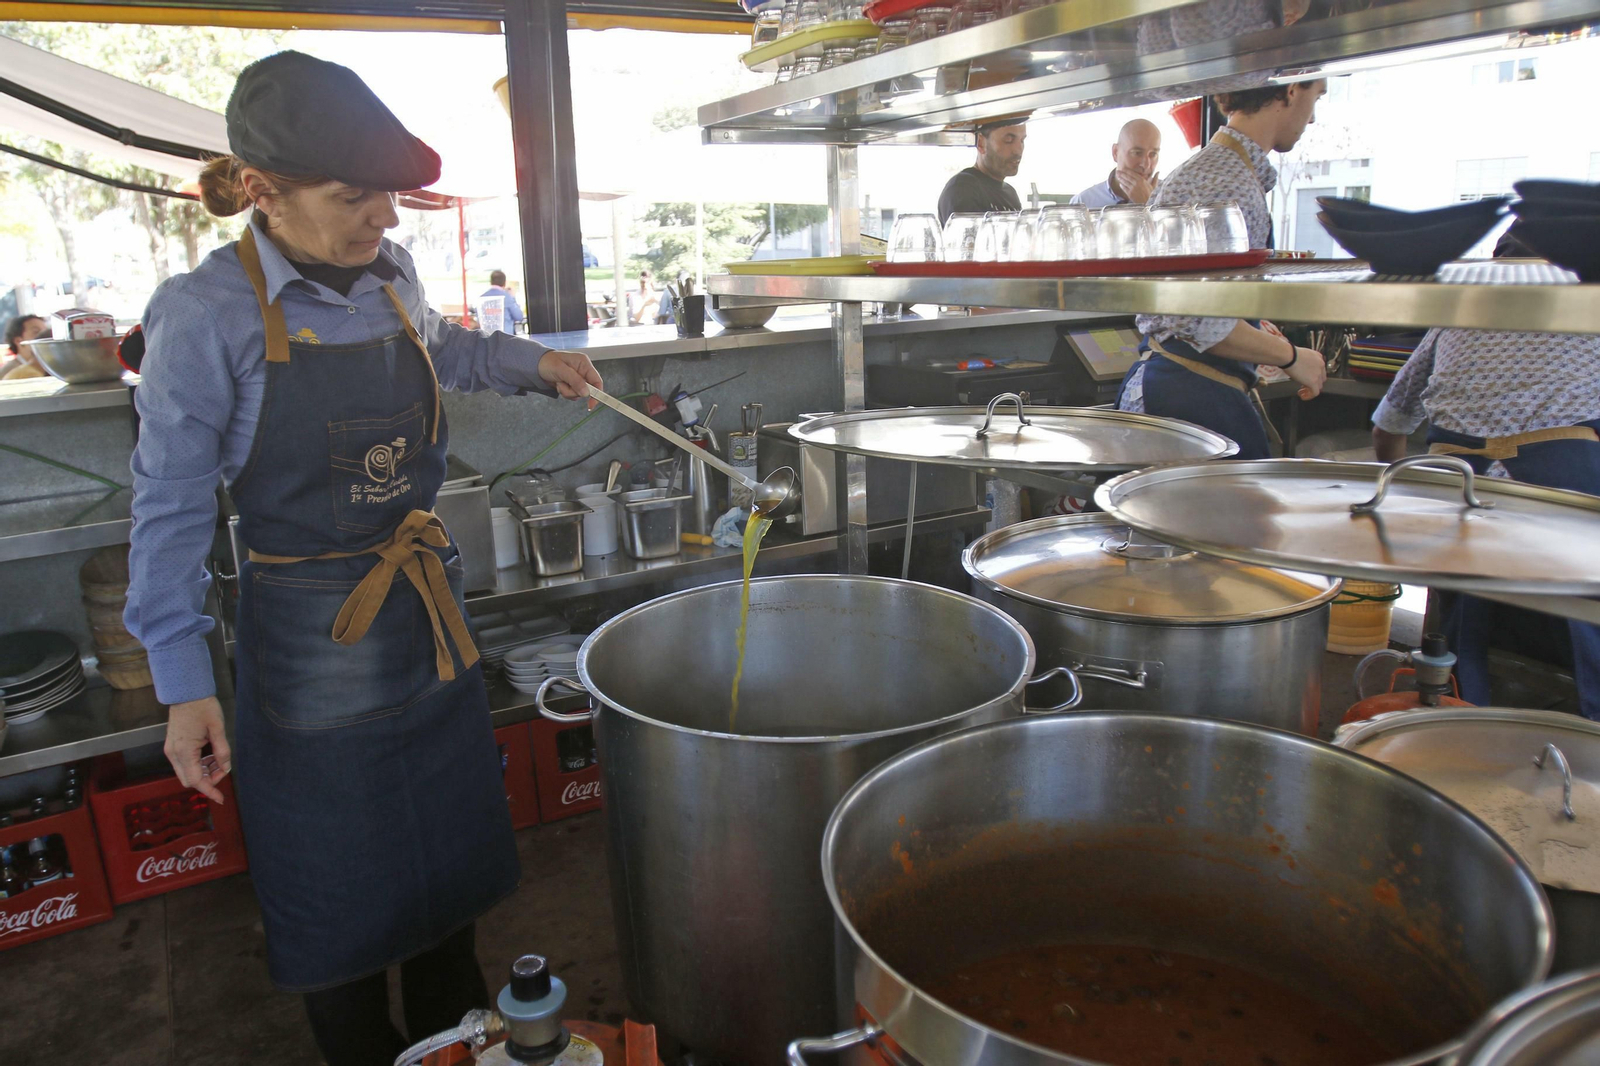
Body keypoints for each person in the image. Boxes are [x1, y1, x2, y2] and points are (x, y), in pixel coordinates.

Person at [124, 52, 602, 1066]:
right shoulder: (204, 314)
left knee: (446, 876)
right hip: (307, 637)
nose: (383, 220)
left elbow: (450, 349)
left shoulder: (392, 279)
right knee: (336, 889)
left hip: (424, 620)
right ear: (262, 192)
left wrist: (535, 362)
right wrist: (182, 684)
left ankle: (457, 1038)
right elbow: (168, 504)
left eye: (389, 197)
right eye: (354, 198)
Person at [1371, 325, 1600, 720]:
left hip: (1455, 483)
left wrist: (1406, 491)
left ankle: (1458, 708)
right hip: (1561, 488)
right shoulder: (1586, 309)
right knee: (1585, 600)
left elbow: (1389, 425)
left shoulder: (1463, 313)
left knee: (1462, 590)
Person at [1116, 81, 1329, 459]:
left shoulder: (1227, 173)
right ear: (1292, 90)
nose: (1312, 117)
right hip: (1188, 393)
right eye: (1317, 96)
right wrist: (1293, 356)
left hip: (1192, 388)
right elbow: (1200, 322)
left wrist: (1257, 329)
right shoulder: (1223, 182)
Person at [936, 115, 1027, 224]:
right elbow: (967, 238)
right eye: (1008, 140)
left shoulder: (1010, 193)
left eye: (1022, 140)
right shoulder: (962, 188)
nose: (1018, 150)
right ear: (981, 143)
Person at [1071, 118, 1162, 209]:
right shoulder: (1083, 202)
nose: (1146, 165)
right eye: (1137, 153)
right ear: (1115, 152)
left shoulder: (1169, 196)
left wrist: (1150, 204)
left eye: (1153, 154)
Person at [0, 314, 47, 380]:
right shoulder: (7, 374)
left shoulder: (49, 367)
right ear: (18, 341)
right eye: (36, 332)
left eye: (46, 331)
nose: (45, 337)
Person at [479, 269, 526, 333]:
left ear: (491, 281)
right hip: (506, 337)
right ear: (504, 282)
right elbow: (518, 316)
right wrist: (513, 297)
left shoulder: (482, 298)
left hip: (488, 338)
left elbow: (480, 319)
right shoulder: (507, 297)